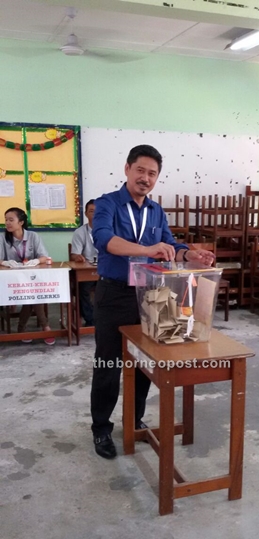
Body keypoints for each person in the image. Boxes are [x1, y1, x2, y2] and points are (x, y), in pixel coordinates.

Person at [91, 144, 214, 459]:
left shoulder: (156, 211)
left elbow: (170, 245)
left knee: (145, 362)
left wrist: (190, 254)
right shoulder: (108, 204)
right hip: (115, 293)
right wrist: (147, 250)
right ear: (127, 169)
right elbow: (105, 240)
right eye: (140, 170)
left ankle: (134, 421)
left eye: (152, 173)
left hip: (151, 293)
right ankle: (101, 429)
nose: (145, 178)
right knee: (108, 362)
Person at [0, 207, 55, 345]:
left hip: (31, 277)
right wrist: (6, 262)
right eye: (6, 220)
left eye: (11, 220)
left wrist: (36, 260)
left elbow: (44, 257)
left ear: (21, 222)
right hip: (11, 280)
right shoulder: (2, 238)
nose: (7, 223)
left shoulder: (33, 236)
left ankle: (22, 328)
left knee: (33, 291)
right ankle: (45, 327)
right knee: (34, 292)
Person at [70, 199, 98, 327]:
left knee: (114, 287)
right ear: (86, 214)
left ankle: (106, 318)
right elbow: (74, 254)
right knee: (82, 289)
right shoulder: (80, 232)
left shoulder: (111, 230)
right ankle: (91, 320)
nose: (95, 214)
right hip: (88, 270)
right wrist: (77, 257)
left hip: (106, 269)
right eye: (91, 211)